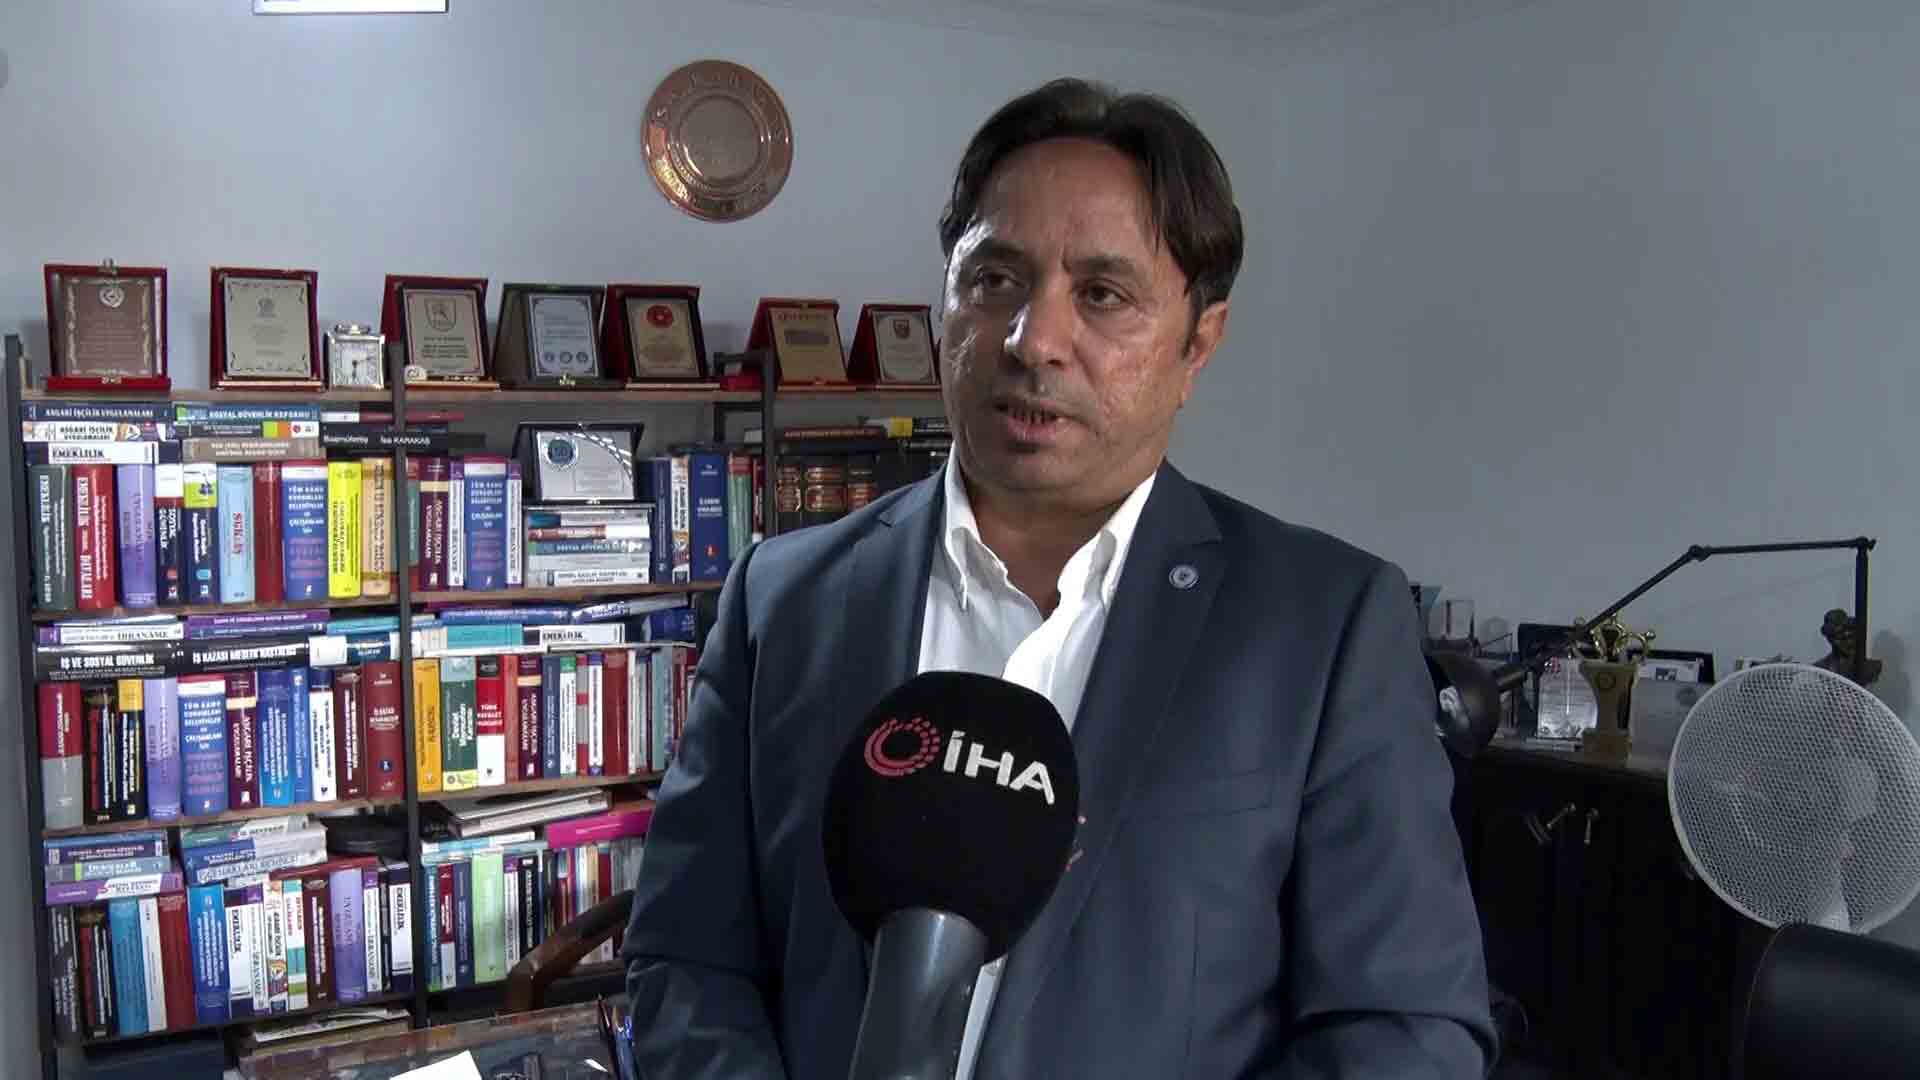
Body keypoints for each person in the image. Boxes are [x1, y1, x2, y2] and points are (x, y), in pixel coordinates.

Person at [621, 77, 1494, 1078]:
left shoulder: (1323, 629)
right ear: (943, 301)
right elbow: (687, 960)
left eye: (1103, 295)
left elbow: (1404, 1028)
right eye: (995, 279)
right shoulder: (783, 600)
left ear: (1198, 341)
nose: (1032, 340)